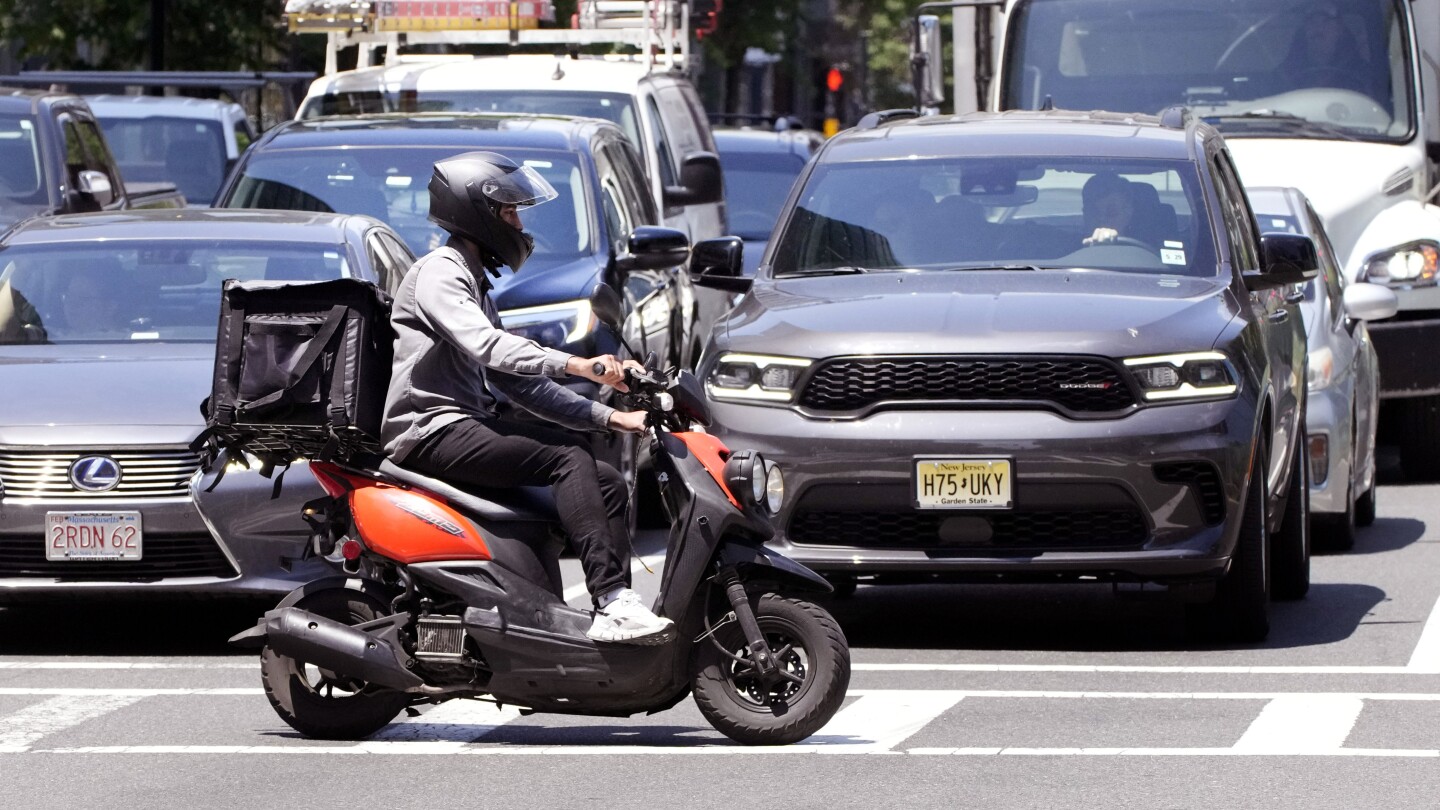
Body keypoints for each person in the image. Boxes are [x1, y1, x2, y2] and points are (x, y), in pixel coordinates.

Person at [381, 151, 674, 645]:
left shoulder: (475, 283)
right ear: (477, 212)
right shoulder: (440, 272)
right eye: (510, 212)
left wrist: (608, 418)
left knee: (605, 482)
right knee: (566, 457)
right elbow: (487, 346)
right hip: (428, 430)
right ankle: (610, 604)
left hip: (460, 427)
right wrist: (576, 363)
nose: (519, 225)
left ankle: (591, 606)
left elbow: (519, 385)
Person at [1080, 172, 1137, 247]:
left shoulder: (1149, 254)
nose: (1102, 219)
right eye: (1094, 212)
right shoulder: (1065, 249)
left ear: (1128, 213)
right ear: (1085, 213)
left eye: (1111, 212)